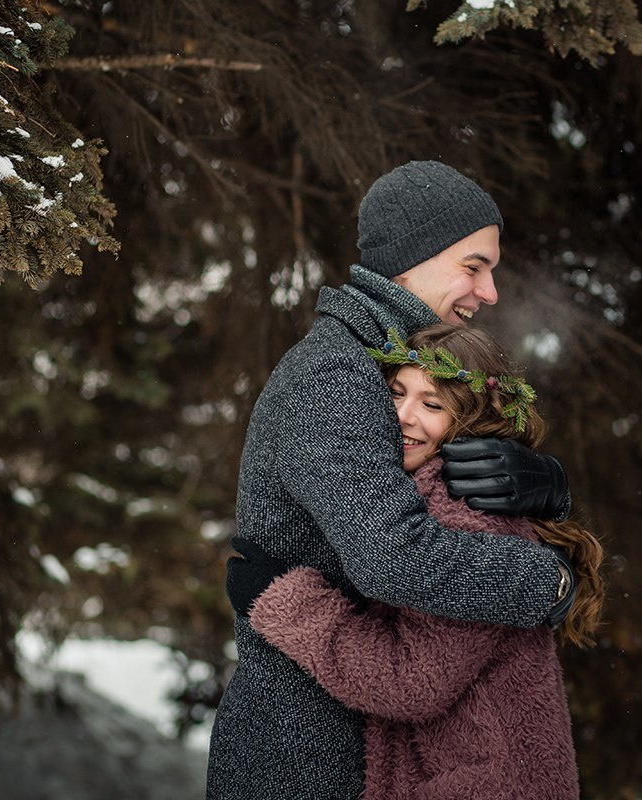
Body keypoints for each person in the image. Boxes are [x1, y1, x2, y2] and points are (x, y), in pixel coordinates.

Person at [206, 162, 577, 800]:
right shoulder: (335, 372)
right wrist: (550, 581)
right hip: (308, 745)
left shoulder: (399, 366)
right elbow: (394, 559)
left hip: (368, 735)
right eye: (473, 266)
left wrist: (545, 488)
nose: (489, 293)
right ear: (413, 261)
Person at [224, 324, 605, 800]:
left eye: (432, 404)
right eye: (396, 392)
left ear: (470, 417)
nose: (402, 416)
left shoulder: (464, 509)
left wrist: (285, 600)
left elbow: (411, 682)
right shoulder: (422, 495)